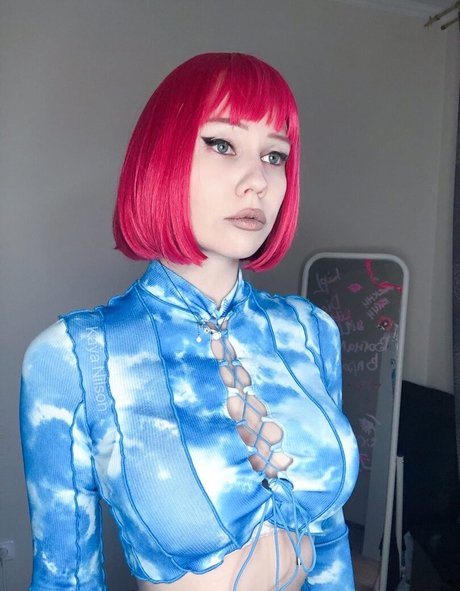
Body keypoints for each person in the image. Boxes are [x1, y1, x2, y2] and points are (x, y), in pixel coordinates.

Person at [20, 52, 359, 591]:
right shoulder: (76, 356)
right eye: (222, 144)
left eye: (275, 155)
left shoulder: (309, 331)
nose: (257, 181)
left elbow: (330, 540)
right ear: (162, 158)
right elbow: (67, 578)